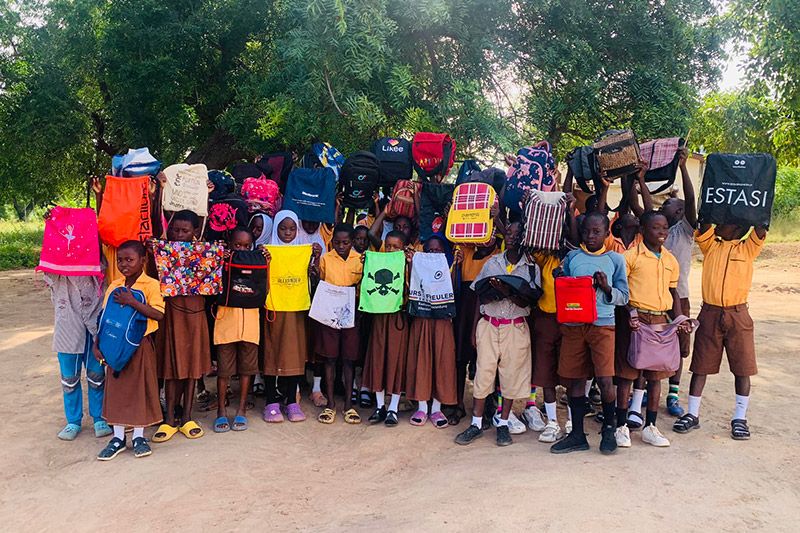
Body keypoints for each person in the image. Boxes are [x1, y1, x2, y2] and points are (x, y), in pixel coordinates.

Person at [673, 222, 767, 440]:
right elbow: (704, 223)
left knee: (742, 368)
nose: (717, 226)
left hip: (738, 313)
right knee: (700, 365)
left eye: (723, 223)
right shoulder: (711, 245)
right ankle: (692, 413)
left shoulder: (748, 248)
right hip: (710, 312)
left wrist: (754, 212)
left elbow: (761, 227)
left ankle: (740, 418)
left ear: (736, 228)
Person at [455, 222, 541, 446]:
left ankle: (503, 423)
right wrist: (475, 328)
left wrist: (507, 292)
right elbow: (478, 295)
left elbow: (529, 301)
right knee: (483, 374)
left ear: (525, 238)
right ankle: (476, 424)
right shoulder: (492, 262)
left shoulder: (531, 267)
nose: (511, 237)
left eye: (517, 234)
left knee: (511, 376)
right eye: (509, 233)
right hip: (489, 324)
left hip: (515, 326)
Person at [550, 212, 629, 455]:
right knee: (575, 379)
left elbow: (624, 297)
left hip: (602, 325)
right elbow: (563, 285)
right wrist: (559, 278)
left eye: (596, 232)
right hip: (574, 325)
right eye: (586, 231)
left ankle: (609, 429)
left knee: (605, 379)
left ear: (607, 233)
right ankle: (577, 435)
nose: (590, 236)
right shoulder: (572, 257)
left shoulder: (615, 260)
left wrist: (606, 288)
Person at [614, 210, 692, 448]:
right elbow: (621, 290)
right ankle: (621, 427)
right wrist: (630, 313)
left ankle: (650, 426)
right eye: (656, 227)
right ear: (642, 230)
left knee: (655, 375)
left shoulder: (670, 260)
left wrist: (679, 319)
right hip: (634, 319)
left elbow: (673, 292)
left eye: (665, 228)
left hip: (659, 321)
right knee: (627, 373)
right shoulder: (629, 257)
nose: (661, 232)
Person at [94, 240, 165, 460]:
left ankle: (138, 437)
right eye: (120, 260)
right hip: (114, 346)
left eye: (130, 260)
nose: (124, 264)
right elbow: (104, 318)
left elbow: (158, 314)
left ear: (142, 260)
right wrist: (97, 345)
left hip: (139, 346)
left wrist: (132, 301)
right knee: (117, 391)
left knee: (138, 390)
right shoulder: (114, 285)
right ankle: (117, 438)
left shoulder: (151, 285)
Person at [152, 210, 211, 443]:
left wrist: (218, 258)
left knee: (192, 366)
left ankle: (187, 416)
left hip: (195, 314)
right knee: (171, 366)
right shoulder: (161, 252)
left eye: (184, 231)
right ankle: (169, 419)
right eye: (175, 230)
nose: (178, 235)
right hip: (171, 314)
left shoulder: (205, 253)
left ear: (195, 231)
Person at [262, 210, 319, 423]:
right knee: (272, 353)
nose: (288, 233)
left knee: (294, 354)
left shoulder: (304, 252)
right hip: (274, 310)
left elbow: (313, 277)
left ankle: (291, 401)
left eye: (292, 228)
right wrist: (262, 258)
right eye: (283, 228)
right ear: (275, 229)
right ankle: (271, 401)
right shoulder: (266, 251)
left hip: (296, 310)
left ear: (298, 230)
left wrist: (315, 257)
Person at [44, 267, 110, 441]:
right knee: (69, 378)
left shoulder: (95, 260)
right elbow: (48, 275)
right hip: (67, 328)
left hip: (93, 326)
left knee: (97, 375)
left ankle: (99, 418)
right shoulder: (56, 265)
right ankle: (73, 421)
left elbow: (104, 277)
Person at [213, 227, 266, 433]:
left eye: (246, 246)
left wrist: (266, 258)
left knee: (247, 369)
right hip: (226, 322)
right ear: (229, 244)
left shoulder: (258, 260)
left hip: (251, 323)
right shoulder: (221, 259)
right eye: (237, 245)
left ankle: (241, 409)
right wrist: (219, 258)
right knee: (224, 370)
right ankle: (221, 410)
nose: (242, 249)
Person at [313, 223, 364, 424]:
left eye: (346, 242)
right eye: (337, 242)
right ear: (332, 241)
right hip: (329, 312)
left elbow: (363, 286)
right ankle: (331, 404)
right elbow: (321, 282)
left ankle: (349, 406)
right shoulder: (326, 258)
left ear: (352, 242)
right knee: (330, 358)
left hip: (351, 314)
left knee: (349, 360)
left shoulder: (360, 260)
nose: (341, 246)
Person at [405, 235, 458, 428]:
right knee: (421, 360)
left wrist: (456, 266)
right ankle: (421, 406)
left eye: (438, 251)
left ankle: (436, 408)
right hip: (422, 318)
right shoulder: (416, 265)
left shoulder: (450, 267)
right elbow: (410, 285)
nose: (433, 254)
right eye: (429, 251)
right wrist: (411, 263)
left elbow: (454, 290)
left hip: (442, 321)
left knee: (441, 361)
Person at [661, 148, 696, 416]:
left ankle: (673, 394)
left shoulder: (686, 230)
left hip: (679, 296)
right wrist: (638, 179)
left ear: (681, 211)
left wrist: (683, 167)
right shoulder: (658, 230)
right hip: (655, 296)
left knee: (680, 345)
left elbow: (692, 200)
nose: (663, 207)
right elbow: (639, 207)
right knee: (651, 341)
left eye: (668, 205)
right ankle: (645, 393)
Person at [450, 238, 500, 426]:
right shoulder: (465, 250)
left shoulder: (497, 255)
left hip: (485, 311)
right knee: (459, 360)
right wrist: (457, 265)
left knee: (485, 362)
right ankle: (458, 404)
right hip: (464, 310)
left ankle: (486, 406)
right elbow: (454, 284)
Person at [363, 230, 411, 427]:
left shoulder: (407, 264)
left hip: (398, 318)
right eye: (388, 246)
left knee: (395, 360)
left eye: (395, 247)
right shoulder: (377, 262)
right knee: (378, 358)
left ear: (403, 248)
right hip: (379, 316)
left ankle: (393, 407)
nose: (391, 250)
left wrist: (409, 265)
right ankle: (380, 405)